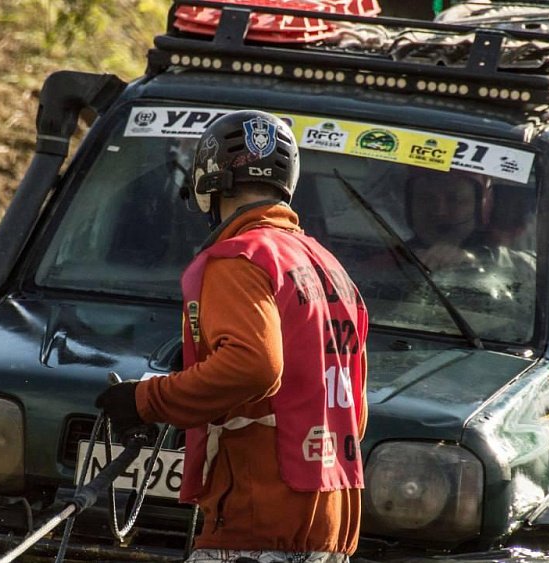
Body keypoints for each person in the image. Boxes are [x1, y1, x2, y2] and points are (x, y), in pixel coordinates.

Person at [96, 110, 369, 563]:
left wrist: (146, 401)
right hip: (331, 518)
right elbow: (355, 409)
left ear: (208, 181)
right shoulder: (327, 267)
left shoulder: (239, 258)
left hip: (258, 510)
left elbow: (252, 366)